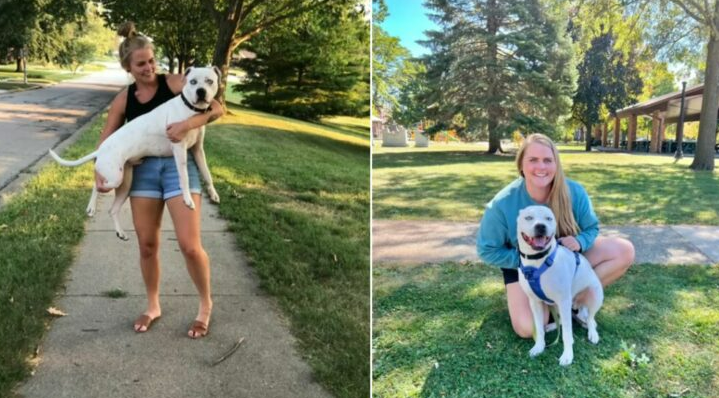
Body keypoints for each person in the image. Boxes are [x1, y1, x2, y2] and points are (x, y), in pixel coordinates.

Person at [95, 22, 224, 338]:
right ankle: (153, 305)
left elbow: (217, 107)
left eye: (152, 60)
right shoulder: (125, 99)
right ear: (129, 68)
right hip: (144, 173)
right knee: (148, 245)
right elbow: (107, 140)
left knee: (190, 246)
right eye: (141, 64)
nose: (149, 67)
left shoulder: (176, 82)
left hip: (181, 168)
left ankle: (205, 306)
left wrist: (190, 123)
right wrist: (99, 172)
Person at [477, 133, 634, 338]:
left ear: (556, 164)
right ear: (521, 165)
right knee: (528, 328)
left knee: (624, 251)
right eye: (533, 160)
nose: (541, 167)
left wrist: (579, 241)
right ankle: (544, 303)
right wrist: (526, 260)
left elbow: (591, 228)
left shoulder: (574, 192)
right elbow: (486, 250)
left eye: (547, 160)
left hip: (565, 258)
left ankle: (575, 305)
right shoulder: (501, 205)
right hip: (524, 267)